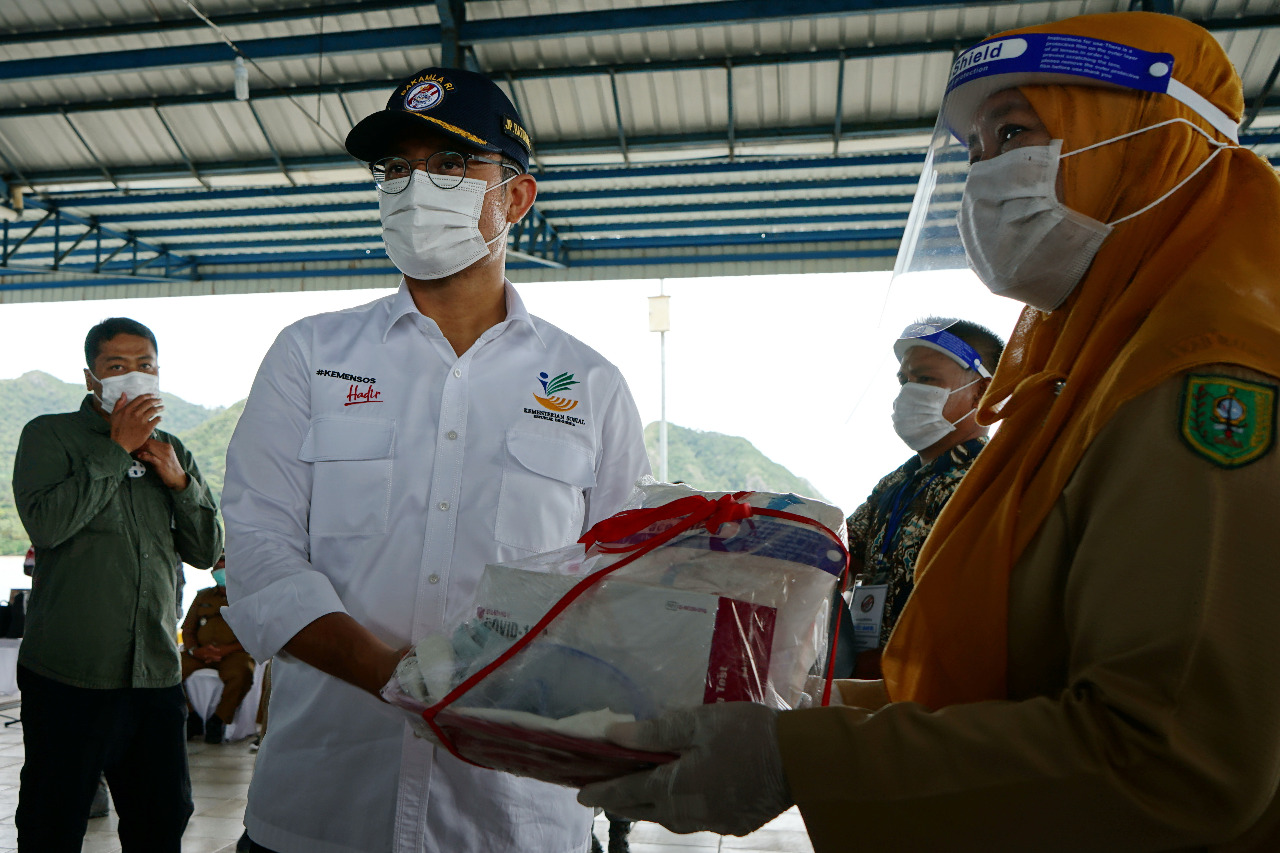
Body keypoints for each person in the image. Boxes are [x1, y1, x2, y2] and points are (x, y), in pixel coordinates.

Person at [578, 12, 1280, 850]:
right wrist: (811, 710)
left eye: (1014, 133)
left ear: (1149, 142)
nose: (984, 179)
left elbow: (1174, 760)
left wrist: (800, 759)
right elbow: (1012, 680)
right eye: (976, 150)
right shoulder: (1084, 380)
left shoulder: (1206, 378)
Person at [222, 66, 650, 853]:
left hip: (515, 821)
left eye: (451, 164)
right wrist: (394, 673)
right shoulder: (310, 357)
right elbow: (257, 553)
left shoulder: (589, 385)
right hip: (323, 814)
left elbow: (618, 589)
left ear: (515, 199)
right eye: (397, 168)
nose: (417, 187)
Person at [11, 316, 223, 853]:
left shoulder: (172, 448)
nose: (134, 376)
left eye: (145, 365)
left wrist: (180, 482)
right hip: (69, 674)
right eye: (117, 366)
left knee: (162, 818)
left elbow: (206, 550)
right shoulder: (49, 434)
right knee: (52, 820)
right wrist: (116, 448)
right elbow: (49, 526)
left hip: (154, 672)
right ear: (91, 378)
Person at [832, 318, 1002, 679]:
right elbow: (842, 556)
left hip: (933, 689)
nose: (908, 392)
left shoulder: (992, 480)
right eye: (904, 381)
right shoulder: (895, 483)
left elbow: (977, 608)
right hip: (864, 681)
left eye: (925, 380)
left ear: (982, 392)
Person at [181, 554, 255, 745]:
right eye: (216, 567)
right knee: (170, 668)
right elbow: (188, 629)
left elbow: (255, 633)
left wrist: (225, 650)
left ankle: (219, 720)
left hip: (234, 653)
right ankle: (190, 717)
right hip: (200, 654)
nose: (219, 571)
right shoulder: (202, 596)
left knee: (243, 673)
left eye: (224, 566)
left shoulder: (247, 596)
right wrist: (194, 650)